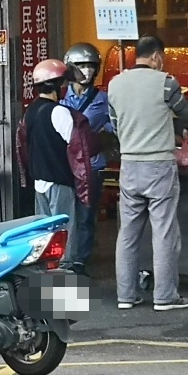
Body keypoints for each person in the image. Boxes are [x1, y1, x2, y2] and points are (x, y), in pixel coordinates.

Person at [107, 35, 188, 311]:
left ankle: (126, 295)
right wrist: (185, 130)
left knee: (127, 233)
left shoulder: (114, 84)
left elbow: (114, 125)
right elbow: (187, 115)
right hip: (158, 164)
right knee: (164, 232)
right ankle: (165, 296)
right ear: (157, 57)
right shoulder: (166, 83)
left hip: (129, 165)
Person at [16, 59, 98, 270]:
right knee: (65, 232)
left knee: (45, 233)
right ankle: (66, 271)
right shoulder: (59, 112)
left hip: (39, 182)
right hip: (59, 182)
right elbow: (79, 154)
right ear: (56, 86)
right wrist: (85, 189)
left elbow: (23, 147)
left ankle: (48, 271)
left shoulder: (30, 112)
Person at [60, 42, 113, 276]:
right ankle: (64, 258)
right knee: (64, 213)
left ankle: (80, 260)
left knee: (86, 214)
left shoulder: (104, 98)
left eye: (91, 66)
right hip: (64, 165)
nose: (87, 71)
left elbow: (115, 130)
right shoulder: (60, 97)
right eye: (81, 65)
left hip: (92, 165)